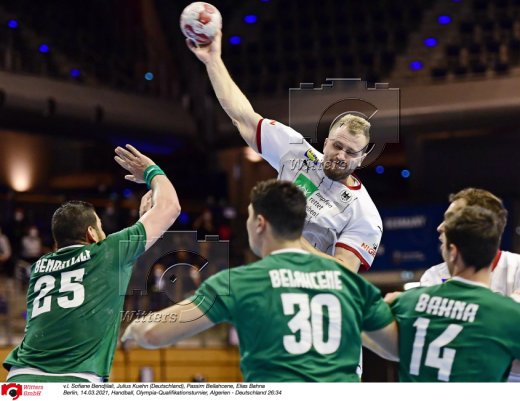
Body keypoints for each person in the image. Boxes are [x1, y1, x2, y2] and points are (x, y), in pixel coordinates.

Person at [122, 179, 396, 382]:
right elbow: (395, 349)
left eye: (250, 216)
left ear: (260, 223)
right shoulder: (351, 284)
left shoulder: (241, 282)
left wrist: (132, 330)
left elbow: (152, 334)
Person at [187, 32, 382, 273]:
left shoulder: (365, 213)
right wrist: (213, 60)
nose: (341, 156)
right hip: (270, 273)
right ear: (326, 143)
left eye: (351, 152)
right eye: (337, 146)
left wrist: (291, 240)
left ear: (362, 158)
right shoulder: (297, 152)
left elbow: (345, 271)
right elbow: (243, 118)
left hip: (316, 289)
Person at [3, 145, 181, 383]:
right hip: (73, 380)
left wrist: (141, 224)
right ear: (91, 233)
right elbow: (170, 207)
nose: (104, 234)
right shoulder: (107, 252)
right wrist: (151, 170)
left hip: (19, 381)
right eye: (101, 227)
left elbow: (96, 272)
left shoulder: (39, 267)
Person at [390, 206, 520, 382]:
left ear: (453, 252)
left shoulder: (407, 301)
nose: (440, 228)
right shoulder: (509, 313)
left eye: (450, 218)